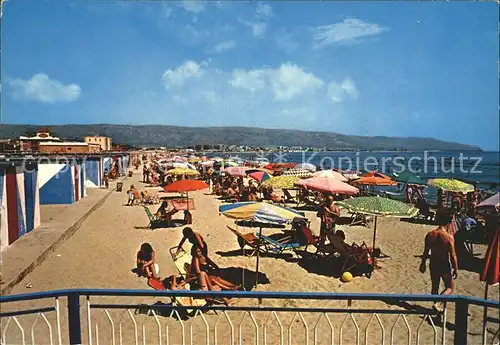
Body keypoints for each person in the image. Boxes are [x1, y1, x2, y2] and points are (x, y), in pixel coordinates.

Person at [419, 212, 458, 312]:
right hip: (444, 263)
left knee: (435, 287)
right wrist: (456, 268)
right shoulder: (448, 237)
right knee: (449, 287)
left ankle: (436, 305)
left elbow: (426, 252)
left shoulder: (430, 234)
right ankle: (438, 303)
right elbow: (453, 255)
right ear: (448, 222)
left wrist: (422, 264)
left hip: (433, 262)